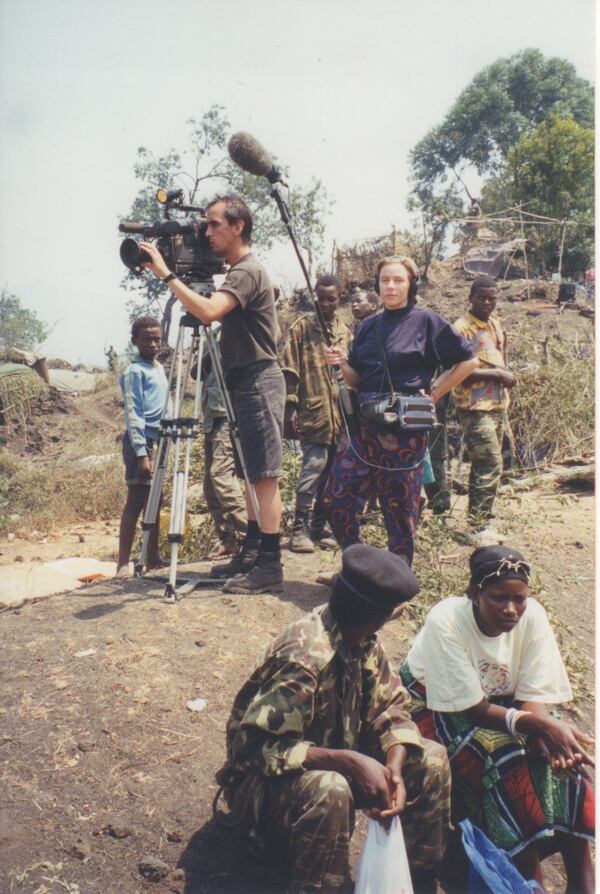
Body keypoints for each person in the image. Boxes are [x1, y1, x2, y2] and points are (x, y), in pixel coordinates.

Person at [215, 544, 451, 894]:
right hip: (262, 788)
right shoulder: (305, 659)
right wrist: (348, 763)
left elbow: (393, 711)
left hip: (331, 762)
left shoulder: (361, 639)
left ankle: (413, 877)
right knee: (331, 787)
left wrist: (394, 768)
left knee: (430, 758)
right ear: (379, 617)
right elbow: (249, 750)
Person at [400, 545, 595, 893]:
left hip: (503, 704)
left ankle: (582, 878)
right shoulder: (447, 619)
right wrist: (535, 725)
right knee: (506, 759)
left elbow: (534, 693)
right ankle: (527, 879)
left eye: (518, 598)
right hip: (436, 703)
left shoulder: (532, 615)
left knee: (562, 762)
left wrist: (543, 733)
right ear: (474, 593)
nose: (510, 609)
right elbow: (469, 707)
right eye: (497, 597)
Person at [139, 194, 286, 595]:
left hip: (258, 379)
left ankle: (270, 564)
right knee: (251, 472)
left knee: (264, 475)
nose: (207, 233)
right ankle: (253, 550)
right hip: (243, 380)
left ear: (238, 226)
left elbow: (208, 312)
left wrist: (168, 276)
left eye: (214, 225)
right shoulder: (240, 270)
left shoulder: (247, 271)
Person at [322, 256, 478, 564]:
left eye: (398, 280)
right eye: (384, 280)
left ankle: (398, 580)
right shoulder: (367, 326)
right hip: (364, 426)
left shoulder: (427, 320)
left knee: (400, 509)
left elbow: (468, 361)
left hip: (405, 429)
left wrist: (434, 393)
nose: (390, 286)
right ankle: (358, 567)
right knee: (336, 497)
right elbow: (356, 379)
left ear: (411, 285)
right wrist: (340, 363)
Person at [280, 275, 352, 552]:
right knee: (313, 467)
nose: (325, 304)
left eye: (331, 299)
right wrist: (291, 407)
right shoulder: (302, 328)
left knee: (334, 473)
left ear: (339, 298)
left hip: (340, 415)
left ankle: (319, 526)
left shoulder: (345, 330)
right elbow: (289, 369)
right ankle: (299, 528)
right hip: (313, 411)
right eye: (320, 298)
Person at [453, 276, 516, 545]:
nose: (488, 303)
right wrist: (497, 375)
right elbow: (457, 372)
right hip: (474, 407)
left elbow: (500, 358)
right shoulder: (461, 329)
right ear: (471, 297)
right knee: (489, 463)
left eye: (492, 298)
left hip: (497, 405)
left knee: (489, 463)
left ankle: (481, 522)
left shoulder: (494, 324)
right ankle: (476, 528)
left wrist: (503, 377)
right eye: (482, 297)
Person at [117, 316, 168, 575]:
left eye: (157, 339)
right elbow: (134, 412)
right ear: (135, 340)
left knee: (155, 501)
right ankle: (123, 563)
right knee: (136, 501)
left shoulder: (158, 368)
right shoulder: (133, 372)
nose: (152, 344)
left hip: (160, 440)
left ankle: (154, 558)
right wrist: (141, 453)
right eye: (146, 339)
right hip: (142, 442)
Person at [199, 330, 247, 559]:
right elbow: (195, 373)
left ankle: (254, 534)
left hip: (228, 415)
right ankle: (227, 538)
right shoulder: (214, 336)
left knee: (221, 475)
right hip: (211, 415)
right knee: (210, 486)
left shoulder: (239, 333)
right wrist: (210, 347)